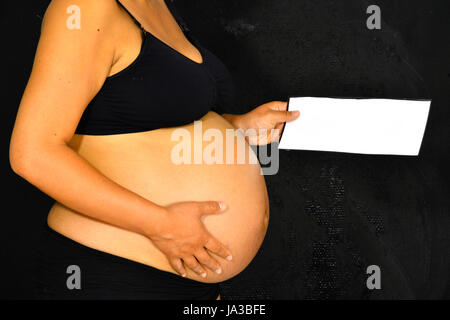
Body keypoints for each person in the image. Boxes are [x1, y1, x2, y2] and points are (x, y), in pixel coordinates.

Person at [9, 0, 299, 299]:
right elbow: (33, 154)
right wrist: (160, 225)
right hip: (116, 273)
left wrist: (238, 129)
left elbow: (146, 120)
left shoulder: (158, 5)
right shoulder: (86, 7)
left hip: (193, 278)